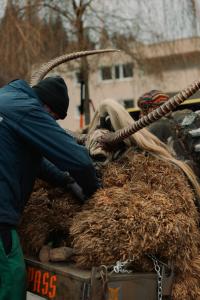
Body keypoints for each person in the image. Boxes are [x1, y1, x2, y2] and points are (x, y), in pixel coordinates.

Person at [0, 76, 100, 299]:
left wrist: (65, 180)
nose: (52, 123)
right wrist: (95, 192)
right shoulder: (28, 110)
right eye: (54, 118)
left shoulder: (7, 100)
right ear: (47, 107)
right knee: (12, 281)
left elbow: (32, 159)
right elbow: (80, 161)